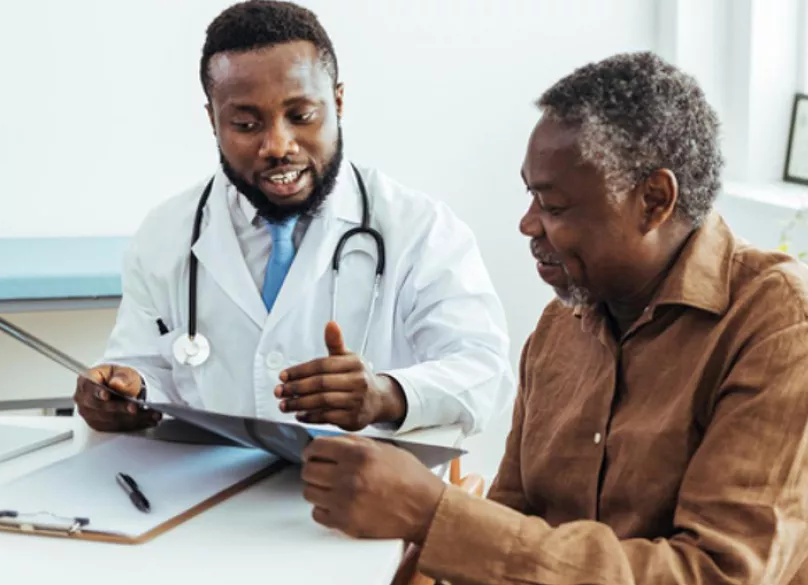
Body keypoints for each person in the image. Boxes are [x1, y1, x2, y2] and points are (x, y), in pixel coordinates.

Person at [298, 52, 808, 585]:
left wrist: (432, 514)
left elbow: (716, 581)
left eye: (554, 206)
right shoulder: (560, 329)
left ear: (654, 200)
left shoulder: (791, 329)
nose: (528, 225)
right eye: (530, 197)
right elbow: (509, 524)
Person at [72, 0, 513, 438]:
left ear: (337, 102)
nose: (277, 145)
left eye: (301, 116)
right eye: (246, 124)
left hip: (370, 497)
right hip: (212, 493)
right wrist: (124, 391)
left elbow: (484, 372)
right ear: (213, 121)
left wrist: (386, 395)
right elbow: (145, 366)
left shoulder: (421, 229)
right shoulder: (165, 235)